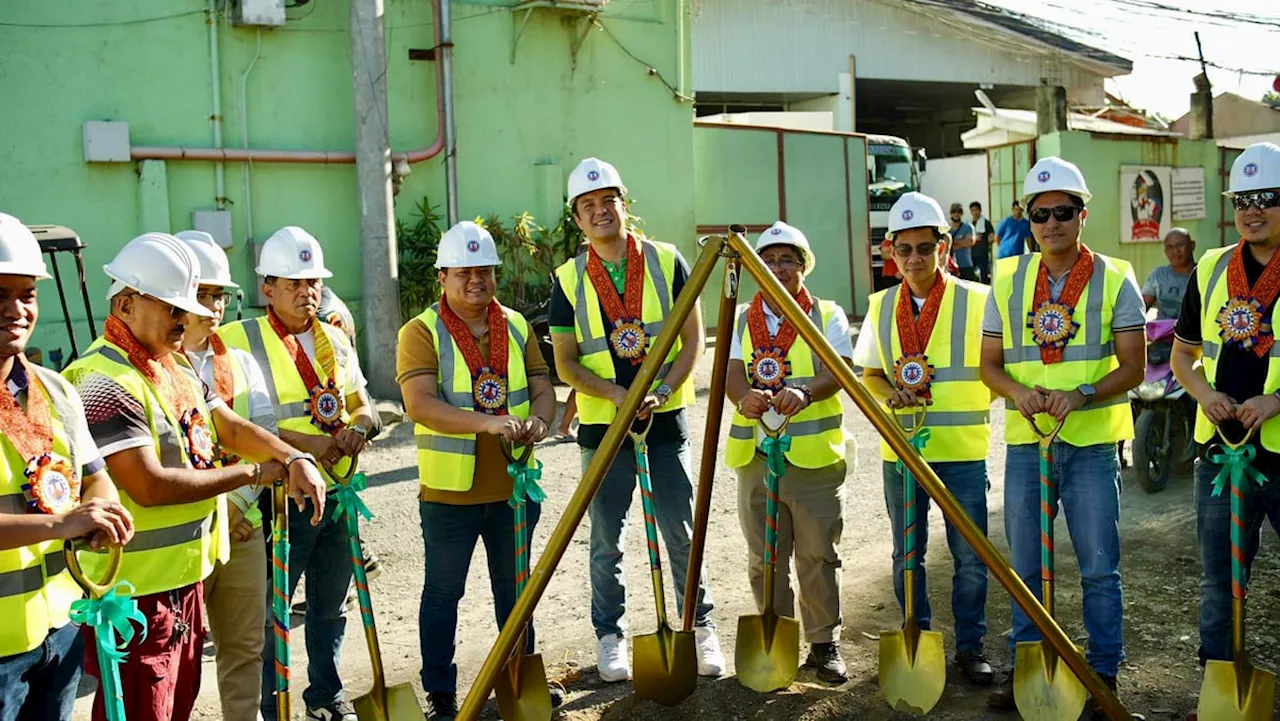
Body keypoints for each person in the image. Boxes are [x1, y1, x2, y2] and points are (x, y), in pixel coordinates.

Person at [63, 232, 327, 721]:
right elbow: (149, 484)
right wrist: (253, 473)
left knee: (175, 704)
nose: (187, 320)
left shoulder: (172, 364)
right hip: (136, 593)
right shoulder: (101, 377)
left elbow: (225, 422)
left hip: (182, 583)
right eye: (173, 308)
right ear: (125, 304)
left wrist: (291, 458)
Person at [979, 157, 1145, 716]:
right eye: (1041, 213)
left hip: (1092, 443)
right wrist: (1017, 394)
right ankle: (1029, 664)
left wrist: (1082, 395)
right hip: (1030, 442)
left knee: (1099, 564)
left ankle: (1103, 676)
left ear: (1082, 214)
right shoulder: (1006, 277)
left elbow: (1133, 367)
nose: (1052, 223)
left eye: (1063, 212)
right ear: (1028, 219)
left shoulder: (1116, 278)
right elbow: (989, 366)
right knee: (1025, 563)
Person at [548, 157, 723, 682]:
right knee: (606, 538)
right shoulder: (567, 279)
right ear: (577, 218)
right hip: (604, 426)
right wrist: (615, 395)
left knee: (680, 529)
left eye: (608, 201)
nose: (600, 212)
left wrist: (663, 389)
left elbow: (694, 339)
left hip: (664, 417)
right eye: (588, 206)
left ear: (626, 204)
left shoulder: (667, 261)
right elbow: (565, 361)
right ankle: (610, 636)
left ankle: (701, 626)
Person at [398, 221, 562, 720]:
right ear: (442, 276)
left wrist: (539, 417)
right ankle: (441, 694)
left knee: (517, 593)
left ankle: (518, 677)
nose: (477, 281)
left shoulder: (513, 324)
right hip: (451, 493)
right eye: (465, 272)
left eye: (485, 271)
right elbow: (420, 404)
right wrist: (489, 425)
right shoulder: (420, 332)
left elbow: (540, 382)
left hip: (515, 487)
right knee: (444, 593)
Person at [216, 226, 376, 721]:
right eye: (294, 283)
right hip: (281, 498)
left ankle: (325, 696)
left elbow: (361, 403)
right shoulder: (237, 340)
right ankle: (270, 704)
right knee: (271, 612)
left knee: (332, 604)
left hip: (339, 492)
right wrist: (308, 448)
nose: (307, 293)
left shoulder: (334, 337)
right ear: (267, 287)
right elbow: (235, 423)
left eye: (313, 283)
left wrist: (362, 428)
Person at [855, 193, 995, 686]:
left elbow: (995, 370)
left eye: (924, 247)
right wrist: (891, 394)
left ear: (945, 245)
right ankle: (918, 633)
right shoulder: (880, 306)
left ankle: (971, 646)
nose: (914, 259)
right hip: (903, 453)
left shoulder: (978, 299)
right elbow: (869, 374)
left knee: (971, 557)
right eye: (904, 249)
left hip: (961, 453)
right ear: (890, 251)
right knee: (905, 555)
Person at [0, 213, 135, 721]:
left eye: (26, 294)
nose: (16, 310)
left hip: (59, 629)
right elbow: (62, 517)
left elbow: (93, 471)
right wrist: (64, 523)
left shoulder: (54, 389)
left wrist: (105, 510)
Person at [1170, 142, 1280, 721]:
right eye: (1243, 199)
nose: (1252, 209)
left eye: (1267, 198)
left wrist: (1277, 399)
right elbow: (1184, 355)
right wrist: (1205, 394)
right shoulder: (1211, 267)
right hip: (1220, 453)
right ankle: (1217, 695)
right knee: (1219, 580)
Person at [725, 221, 853, 684]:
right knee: (765, 557)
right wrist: (743, 398)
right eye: (769, 261)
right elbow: (732, 372)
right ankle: (774, 638)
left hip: (813, 459)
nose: (777, 268)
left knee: (818, 554)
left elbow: (838, 370)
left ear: (804, 267)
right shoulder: (742, 317)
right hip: (758, 457)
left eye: (787, 260)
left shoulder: (827, 314)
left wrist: (803, 392)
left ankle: (823, 645)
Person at [174, 230, 276, 721]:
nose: (213, 307)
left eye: (219, 295)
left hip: (243, 523)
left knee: (244, 648)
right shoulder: (152, 366)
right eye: (202, 293)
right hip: (188, 533)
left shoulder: (235, 362)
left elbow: (261, 432)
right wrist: (218, 509)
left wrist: (236, 507)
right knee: (181, 660)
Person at [1142, 228, 1196, 321]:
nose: (1175, 251)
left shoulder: (1202, 274)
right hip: (1162, 333)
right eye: (1170, 247)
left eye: (1180, 245)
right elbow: (1140, 309)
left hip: (1192, 333)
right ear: (1165, 251)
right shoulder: (1158, 275)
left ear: (1192, 245)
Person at [948, 202, 977, 282]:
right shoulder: (947, 229)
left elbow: (970, 242)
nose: (956, 214)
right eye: (954, 211)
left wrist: (954, 243)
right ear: (951, 213)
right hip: (951, 266)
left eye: (959, 211)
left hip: (966, 264)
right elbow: (946, 246)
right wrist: (962, 243)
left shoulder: (968, 227)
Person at [969, 201, 995, 284]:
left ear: (980, 210)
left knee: (984, 275)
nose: (974, 212)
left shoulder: (986, 223)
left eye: (976, 210)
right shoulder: (969, 223)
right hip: (971, 253)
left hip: (982, 253)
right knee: (972, 276)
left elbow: (992, 235)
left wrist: (988, 241)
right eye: (972, 210)